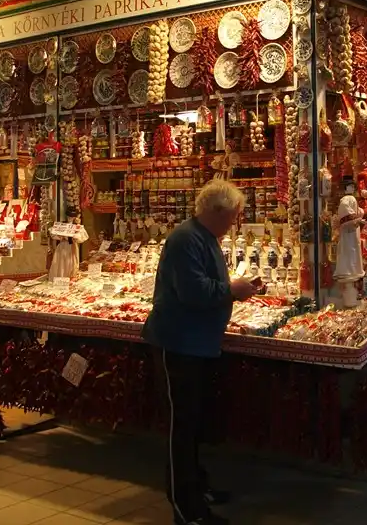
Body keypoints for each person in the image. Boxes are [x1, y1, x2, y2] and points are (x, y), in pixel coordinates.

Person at [142, 180, 257, 525]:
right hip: (178, 344)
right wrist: (232, 290)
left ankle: (196, 487)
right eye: (233, 215)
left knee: (193, 423)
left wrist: (233, 289)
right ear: (217, 211)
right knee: (181, 427)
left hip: (197, 344)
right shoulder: (185, 239)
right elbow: (193, 292)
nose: (235, 222)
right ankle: (186, 509)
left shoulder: (204, 238)